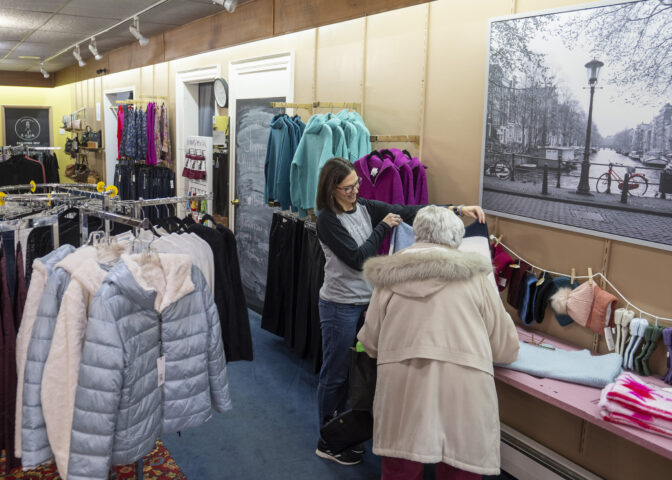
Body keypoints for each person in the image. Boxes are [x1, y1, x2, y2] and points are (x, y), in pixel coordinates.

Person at [314, 157, 486, 465]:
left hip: (365, 303)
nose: (355, 190)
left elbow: (409, 211)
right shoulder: (326, 219)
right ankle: (327, 439)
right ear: (331, 189)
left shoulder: (363, 205)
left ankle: (344, 431)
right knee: (336, 374)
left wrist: (458, 209)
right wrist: (383, 227)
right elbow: (357, 258)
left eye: (357, 184)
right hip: (339, 307)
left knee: (361, 373)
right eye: (347, 187)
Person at [357, 205, 519, 479]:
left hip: (403, 385)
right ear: (456, 239)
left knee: (401, 466)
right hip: (464, 387)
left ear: (417, 234)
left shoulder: (387, 277)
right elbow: (505, 347)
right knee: (460, 466)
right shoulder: (477, 277)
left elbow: (370, 342)